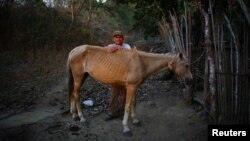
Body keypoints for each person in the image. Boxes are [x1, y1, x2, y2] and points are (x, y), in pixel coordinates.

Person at [104, 30, 131, 121]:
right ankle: (112, 112)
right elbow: (106, 51)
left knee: (124, 95)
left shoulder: (127, 46)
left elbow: (130, 55)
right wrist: (115, 48)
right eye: (116, 37)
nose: (118, 39)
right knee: (113, 94)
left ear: (123, 39)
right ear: (113, 39)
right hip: (115, 75)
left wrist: (121, 49)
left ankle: (122, 112)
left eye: (120, 37)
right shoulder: (110, 46)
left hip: (125, 74)